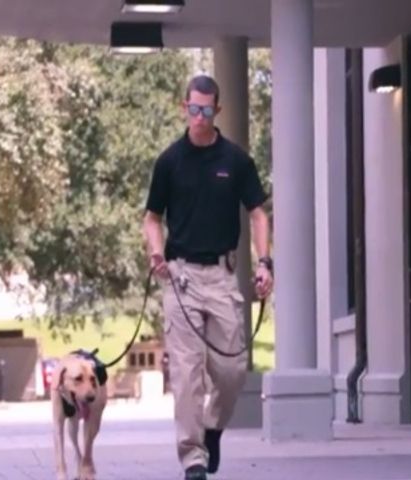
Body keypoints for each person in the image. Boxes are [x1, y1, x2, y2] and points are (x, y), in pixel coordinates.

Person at [142, 74, 273, 480]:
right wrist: (156, 252)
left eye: (206, 110)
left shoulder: (235, 161)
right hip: (180, 277)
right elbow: (152, 218)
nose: (199, 117)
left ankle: (212, 428)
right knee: (186, 376)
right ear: (184, 107)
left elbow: (258, 214)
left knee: (231, 372)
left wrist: (265, 262)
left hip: (221, 277)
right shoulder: (169, 161)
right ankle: (192, 458)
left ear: (217, 110)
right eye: (193, 109)